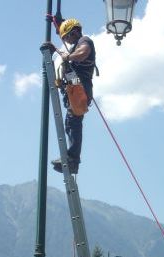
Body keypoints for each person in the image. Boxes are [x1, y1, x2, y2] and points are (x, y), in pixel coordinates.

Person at [47, 18, 96, 175]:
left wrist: (65, 57)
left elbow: (83, 53)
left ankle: (72, 160)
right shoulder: (75, 43)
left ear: (74, 32)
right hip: (75, 86)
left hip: (81, 87)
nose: (66, 41)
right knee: (71, 121)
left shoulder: (84, 41)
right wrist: (58, 24)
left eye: (67, 37)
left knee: (74, 122)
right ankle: (72, 158)